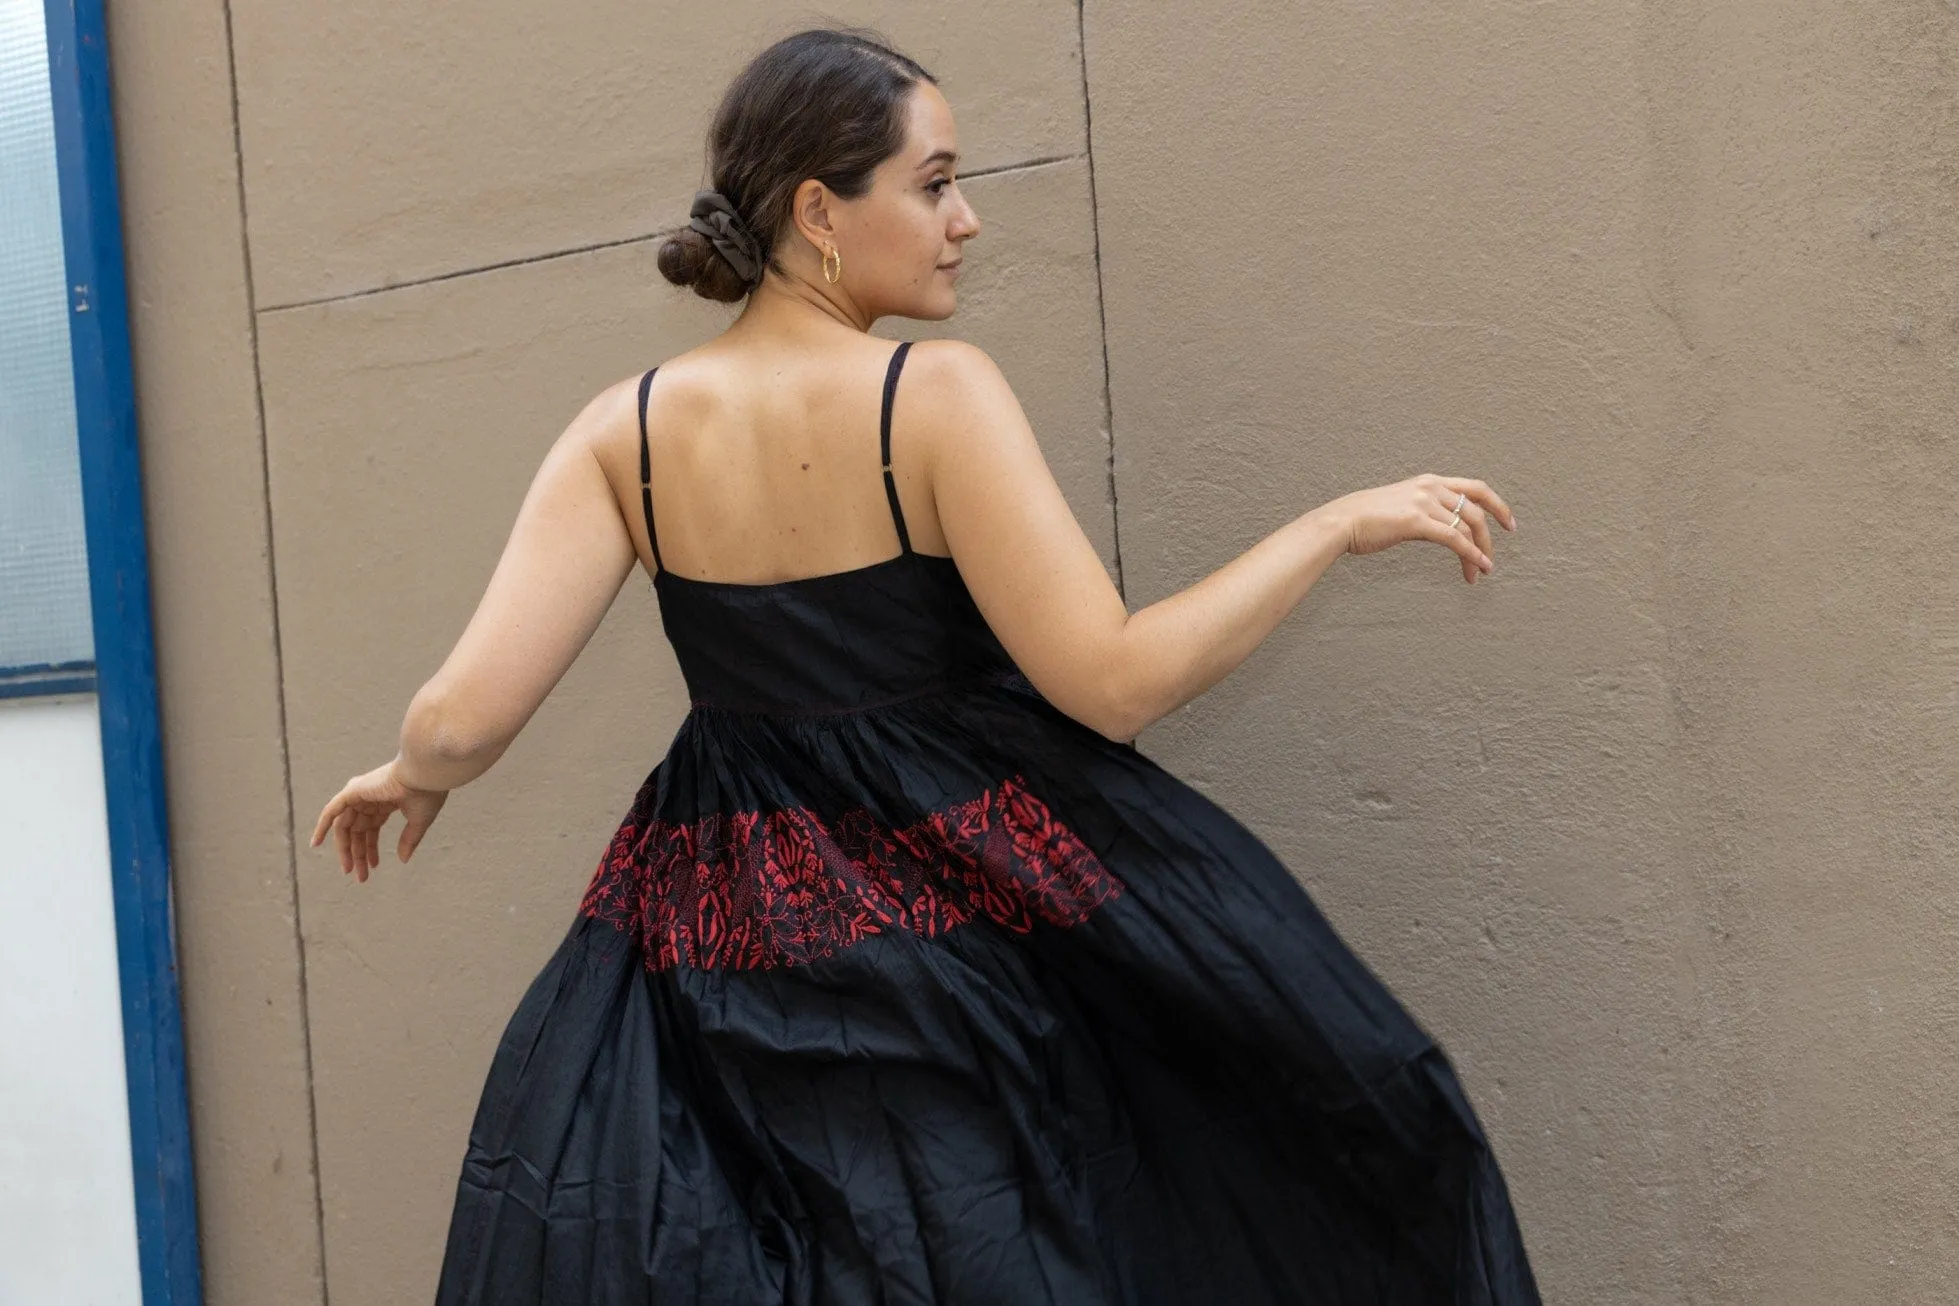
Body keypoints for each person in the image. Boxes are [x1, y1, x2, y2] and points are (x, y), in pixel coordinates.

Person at [310, 25, 1538, 1305]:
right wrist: (1332, 525)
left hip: (716, 924)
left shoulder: (625, 433)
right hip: (961, 911)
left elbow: (463, 721)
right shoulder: (931, 398)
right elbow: (1113, 683)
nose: (967, 221)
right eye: (936, 182)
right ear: (818, 211)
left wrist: (410, 771)